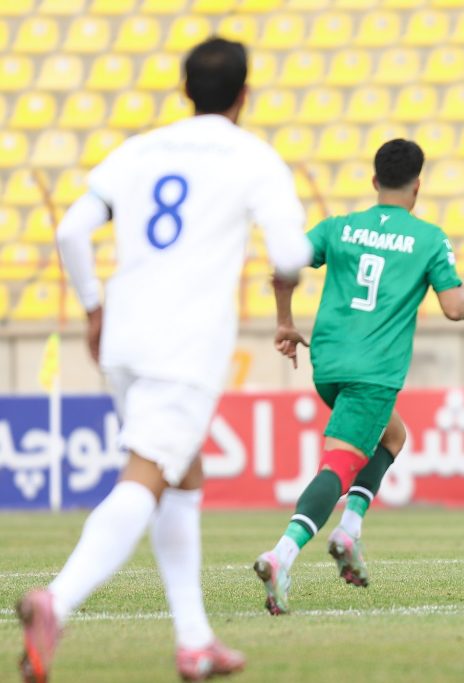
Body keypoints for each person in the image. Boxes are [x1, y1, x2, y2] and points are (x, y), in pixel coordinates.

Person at [17, 38, 313, 682]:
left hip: (124, 333)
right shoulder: (252, 158)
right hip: (185, 343)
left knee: (182, 475)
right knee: (150, 471)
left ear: (185, 90)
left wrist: (92, 308)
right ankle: (56, 601)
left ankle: (194, 640)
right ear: (244, 94)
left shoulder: (140, 150)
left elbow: (71, 230)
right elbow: (291, 254)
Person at [254, 138, 464, 614]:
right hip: (373, 371)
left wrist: (285, 322)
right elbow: (455, 308)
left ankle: (349, 531)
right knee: (339, 465)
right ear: (417, 186)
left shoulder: (338, 227)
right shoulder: (428, 238)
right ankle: (282, 555)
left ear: (375, 181)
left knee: (392, 436)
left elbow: (284, 264)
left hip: (328, 363)